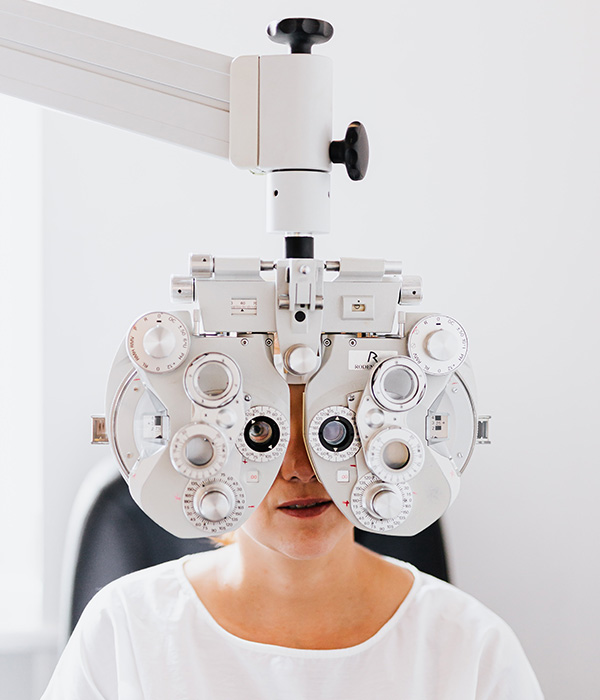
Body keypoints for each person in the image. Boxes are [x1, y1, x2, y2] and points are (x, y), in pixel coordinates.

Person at [41, 385, 544, 699]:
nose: (301, 469)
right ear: (209, 448)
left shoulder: (471, 646)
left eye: (333, 432)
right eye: (262, 432)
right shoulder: (125, 628)